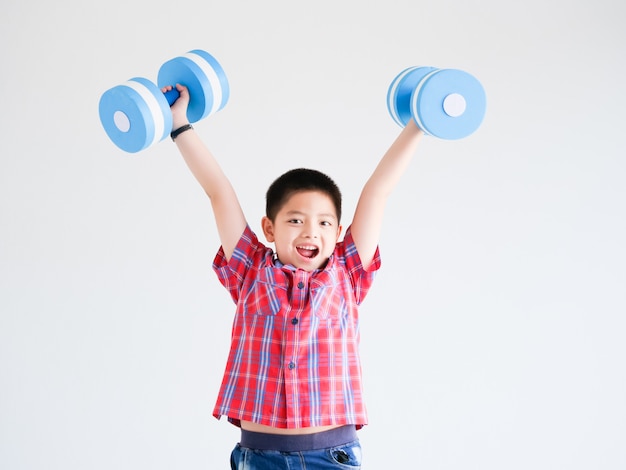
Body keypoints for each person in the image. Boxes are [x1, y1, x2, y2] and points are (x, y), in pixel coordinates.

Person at [163, 83, 423, 469]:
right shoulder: (250, 269)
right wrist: (180, 124)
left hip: (330, 456)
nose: (310, 232)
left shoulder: (348, 272)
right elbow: (218, 190)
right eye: (296, 220)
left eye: (323, 223)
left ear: (338, 233)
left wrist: (418, 123)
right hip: (258, 456)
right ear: (269, 228)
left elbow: (377, 191)